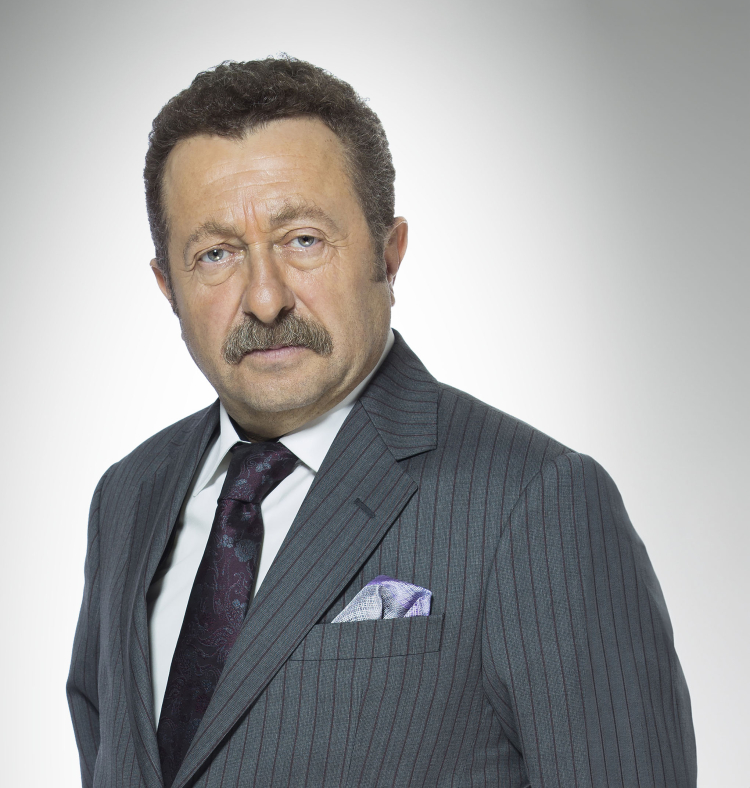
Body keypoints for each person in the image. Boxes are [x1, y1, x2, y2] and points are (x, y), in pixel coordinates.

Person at [67, 57, 696, 788]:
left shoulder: (537, 503)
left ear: (388, 253)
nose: (265, 299)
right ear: (167, 286)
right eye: (216, 254)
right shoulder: (129, 497)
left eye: (303, 239)